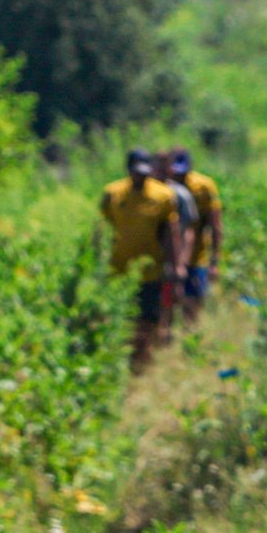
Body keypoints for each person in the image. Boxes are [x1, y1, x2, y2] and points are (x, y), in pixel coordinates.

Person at [98, 148, 182, 372]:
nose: (141, 177)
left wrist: (176, 265)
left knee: (146, 320)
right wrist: (97, 261)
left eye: (145, 172)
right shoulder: (113, 194)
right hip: (119, 269)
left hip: (150, 271)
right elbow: (101, 230)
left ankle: (141, 363)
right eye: (137, 172)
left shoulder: (163, 196)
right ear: (128, 170)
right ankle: (123, 361)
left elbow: (170, 234)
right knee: (121, 317)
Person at [171, 147, 223, 317]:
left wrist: (214, 261)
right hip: (168, 258)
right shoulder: (163, 186)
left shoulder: (204, 187)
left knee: (193, 304)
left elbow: (215, 225)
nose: (179, 176)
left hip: (197, 256)